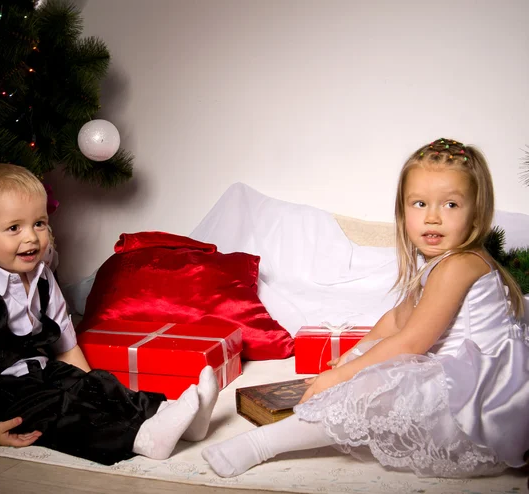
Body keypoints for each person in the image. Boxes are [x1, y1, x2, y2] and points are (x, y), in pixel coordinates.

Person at [202, 138, 529, 478]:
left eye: (450, 205)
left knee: (370, 390)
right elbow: (395, 320)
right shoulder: (437, 264)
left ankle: (261, 444)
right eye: (419, 204)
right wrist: (354, 354)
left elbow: (411, 342)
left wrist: (343, 376)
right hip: (456, 366)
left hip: (481, 387)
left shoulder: (459, 265)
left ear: (476, 212)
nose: (432, 217)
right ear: (402, 212)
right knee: (363, 375)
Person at [0, 162, 219, 466]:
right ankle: (140, 437)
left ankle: (170, 415)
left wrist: (89, 387)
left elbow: (66, 347)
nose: (31, 237)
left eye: (39, 223)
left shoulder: (41, 273)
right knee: (54, 409)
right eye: (14, 228)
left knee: (93, 384)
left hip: (36, 368)